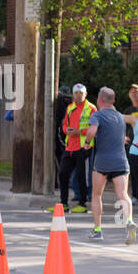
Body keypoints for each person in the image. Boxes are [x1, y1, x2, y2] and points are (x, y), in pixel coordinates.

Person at [85, 86, 136, 243]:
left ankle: (98, 230)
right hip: (121, 160)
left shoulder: (98, 115)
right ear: (113, 100)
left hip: (102, 162)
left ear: (99, 100)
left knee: (96, 195)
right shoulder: (120, 117)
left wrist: (87, 142)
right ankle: (129, 221)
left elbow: (92, 131)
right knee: (123, 194)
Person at [60, 84, 95, 213]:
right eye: (76, 93)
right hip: (70, 147)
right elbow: (64, 125)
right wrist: (67, 131)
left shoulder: (91, 108)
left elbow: (94, 128)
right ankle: (63, 203)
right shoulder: (70, 107)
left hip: (84, 146)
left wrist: (79, 131)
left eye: (81, 93)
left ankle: (83, 203)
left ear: (85, 94)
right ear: (73, 95)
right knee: (63, 174)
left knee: (82, 175)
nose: (78, 95)